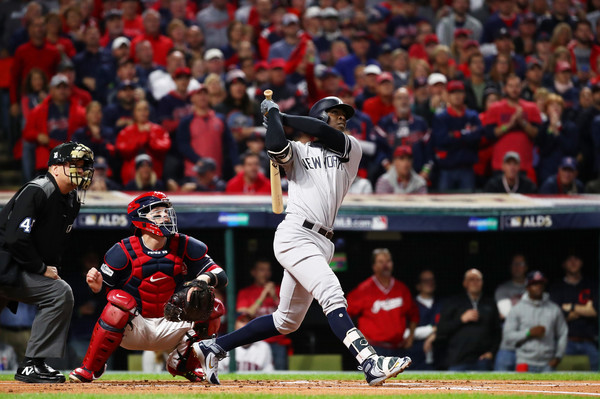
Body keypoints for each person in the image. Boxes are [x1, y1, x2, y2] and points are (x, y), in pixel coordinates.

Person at [193, 96, 412, 386]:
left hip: (322, 241)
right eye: (335, 113)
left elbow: (324, 133)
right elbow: (275, 147)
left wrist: (279, 116)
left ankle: (213, 347)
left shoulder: (350, 149)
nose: (342, 118)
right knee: (331, 292)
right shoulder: (297, 150)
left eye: (343, 114)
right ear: (321, 116)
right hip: (296, 234)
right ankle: (369, 361)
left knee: (286, 321)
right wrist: (273, 121)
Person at [69, 191, 228, 383]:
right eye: (158, 213)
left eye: (166, 212)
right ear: (140, 218)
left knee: (213, 306)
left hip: (173, 321)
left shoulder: (184, 243)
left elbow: (221, 275)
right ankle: (91, 368)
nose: (166, 216)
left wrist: (201, 281)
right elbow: (105, 292)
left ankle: (184, 364)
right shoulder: (122, 250)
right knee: (116, 305)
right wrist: (96, 286)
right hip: (136, 327)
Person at [0, 142, 94, 383]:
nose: (81, 171)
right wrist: (41, 269)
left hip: (16, 266)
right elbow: (14, 238)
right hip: (7, 263)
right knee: (59, 292)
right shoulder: (38, 190)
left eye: (84, 166)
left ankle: (33, 364)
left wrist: (49, 269)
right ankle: (32, 364)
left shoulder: (71, 199)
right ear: (54, 168)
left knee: (59, 291)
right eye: (74, 164)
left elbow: (52, 244)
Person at [347, 249, 419, 357]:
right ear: (374, 266)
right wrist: (357, 339)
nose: (385, 265)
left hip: (398, 348)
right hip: (373, 348)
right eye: (381, 262)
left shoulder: (401, 289)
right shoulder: (363, 290)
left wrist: (411, 336)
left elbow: (414, 315)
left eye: (388, 261)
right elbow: (345, 314)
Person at [436, 269, 501, 371]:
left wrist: (491, 352)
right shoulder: (453, 302)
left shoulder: (490, 303)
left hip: (482, 361)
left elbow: (497, 331)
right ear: (465, 283)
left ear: (482, 283)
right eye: (471, 279)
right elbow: (441, 330)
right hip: (457, 360)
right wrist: (461, 319)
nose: (475, 282)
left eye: (478, 279)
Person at [503, 271, 568, 372]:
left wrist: (558, 357)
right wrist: (529, 332)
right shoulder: (517, 309)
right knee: (523, 388)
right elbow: (507, 336)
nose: (538, 287)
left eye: (541, 283)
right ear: (527, 287)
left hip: (548, 363)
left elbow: (563, 333)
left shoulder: (554, 309)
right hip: (524, 362)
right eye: (534, 284)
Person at [236, 259, 291, 371]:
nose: (266, 274)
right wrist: (263, 295)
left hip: (277, 340)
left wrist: (274, 296)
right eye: (262, 270)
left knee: (281, 375)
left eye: (268, 270)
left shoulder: (279, 290)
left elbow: (289, 312)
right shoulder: (245, 292)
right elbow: (246, 313)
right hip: (257, 341)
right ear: (253, 272)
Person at [550, 253, 599, 370]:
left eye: (576, 258)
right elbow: (556, 317)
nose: (573, 262)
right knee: (561, 382)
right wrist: (585, 310)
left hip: (589, 342)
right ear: (563, 264)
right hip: (565, 342)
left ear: (581, 262)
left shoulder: (592, 284)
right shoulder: (556, 287)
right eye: (569, 259)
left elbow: (595, 311)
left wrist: (571, 307)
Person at [431, 80, 482, 192]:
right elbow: (442, 140)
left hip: (467, 168)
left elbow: (477, 137)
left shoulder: (472, 116)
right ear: (448, 96)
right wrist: (465, 134)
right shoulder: (441, 117)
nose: (457, 96)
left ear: (464, 95)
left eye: (459, 92)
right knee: (444, 205)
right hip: (446, 169)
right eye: (453, 93)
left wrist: (454, 135)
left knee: (468, 205)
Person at [493, 254, 529, 371]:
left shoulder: (534, 288)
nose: (517, 267)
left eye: (521, 264)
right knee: (499, 384)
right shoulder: (503, 289)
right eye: (514, 264)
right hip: (507, 346)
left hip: (530, 347)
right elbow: (508, 314)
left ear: (526, 267)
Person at [403, 270, 441, 370]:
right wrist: (432, 330)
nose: (430, 283)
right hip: (413, 356)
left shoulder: (442, 305)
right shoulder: (410, 305)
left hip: (437, 356)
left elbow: (446, 327)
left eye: (431, 280)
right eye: (425, 280)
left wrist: (434, 335)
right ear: (418, 285)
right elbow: (404, 333)